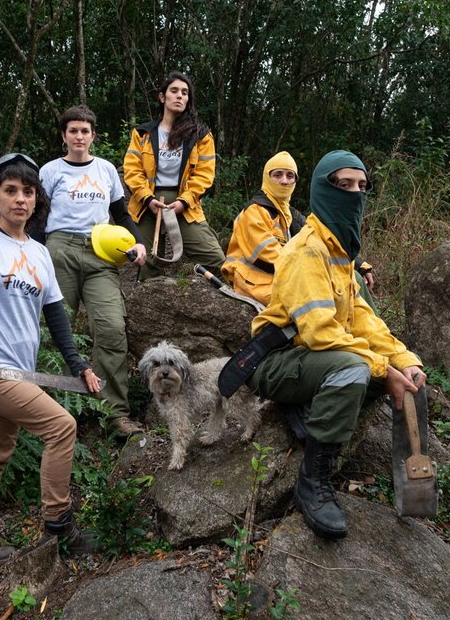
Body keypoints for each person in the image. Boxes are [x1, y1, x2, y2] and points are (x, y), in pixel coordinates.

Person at [245, 150, 426, 539]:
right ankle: (313, 479)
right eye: (344, 185)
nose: (354, 193)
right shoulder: (307, 251)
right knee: (357, 369)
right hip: (278, 360)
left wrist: (402, 360)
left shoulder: (340, 252)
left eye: (361, 186)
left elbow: (363, 319)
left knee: (387, 370)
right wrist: (383, 369)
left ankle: (308, 405)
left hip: (312, 360)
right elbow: (320, 334)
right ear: (323, 191)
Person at [0, 153, 102, 559]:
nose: (20, 199)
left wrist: (78, 365)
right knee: (62, 426)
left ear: (37, 200)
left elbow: (56, 316)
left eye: (28, 192)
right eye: (10, 191)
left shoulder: (39, 252)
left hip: (22, 371)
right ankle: (58, 525)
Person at [39, 105, 147, 437]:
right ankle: (44, 408)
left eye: (85, 131)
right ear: (63, 136)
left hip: (102, 254)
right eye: (73, 130)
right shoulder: (50, 171)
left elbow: (121, 213)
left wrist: (138, 242)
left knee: (112, 328)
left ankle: (114, 414)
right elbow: (36, 218)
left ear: (93, 136)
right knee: (52, 330)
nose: (79, 136)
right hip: (60, 250)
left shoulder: (105, 171)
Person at [222, 151, 377, 308]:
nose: (284, 181)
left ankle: (371, 328)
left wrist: (359, 264)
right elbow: (268, 256)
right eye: (277, 175)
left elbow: (325, 240)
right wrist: (319, 269)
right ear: (266, 178)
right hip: (255, 281)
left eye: (290, 176)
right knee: (332, 292)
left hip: (281, 278)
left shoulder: (291, 215)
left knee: (353, 279)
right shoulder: (254, 211)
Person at [123, 71, 226, 280]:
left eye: (185, 93)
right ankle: (149, 306)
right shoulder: (142, 133)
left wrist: (184, 202)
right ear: (162, 97)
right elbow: (132, 170)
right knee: (145, 261)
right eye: (174, 91)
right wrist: (148, 199)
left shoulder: (200, 134)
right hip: (147, 203)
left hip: (184, 203)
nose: (180, 96)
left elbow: (204, 176)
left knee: (215, 259)